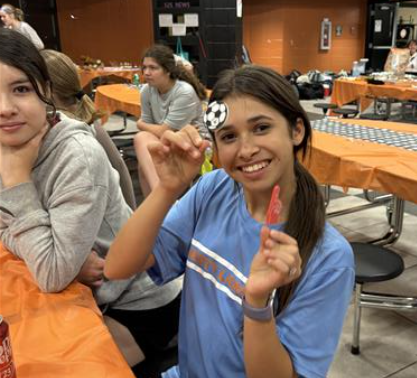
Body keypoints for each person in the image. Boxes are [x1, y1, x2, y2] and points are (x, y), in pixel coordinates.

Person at [104, 64, 355, 378]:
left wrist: (257, 303)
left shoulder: (328, 256)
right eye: (229, 136)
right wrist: (167, 189)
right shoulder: (214, 189)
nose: (246, 149)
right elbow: (117, 267)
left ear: (296, 130)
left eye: (261, 128)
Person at [0, 29, 180, 378]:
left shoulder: (76, 154)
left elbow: (51, 274)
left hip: (139, 302)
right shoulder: (7, 144)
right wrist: (59, 255)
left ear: (46, 92)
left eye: (20, 89)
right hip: (82, 289)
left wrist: (18, 183)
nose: (5, 109)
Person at [134, 44, 207, 196]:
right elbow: (155, 129)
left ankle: (160, 198)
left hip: (194, 141)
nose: (147, 73)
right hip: (168, 139)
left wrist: (140, 123)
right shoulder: (146, 91)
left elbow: (160, 129)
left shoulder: (184, 92)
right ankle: (157, 208)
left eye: (153, 68)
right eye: (144, 67)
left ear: (167, 70)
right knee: (144, 157)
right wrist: (145, 125)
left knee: (142, 141)